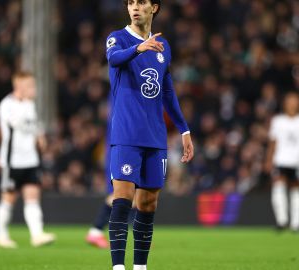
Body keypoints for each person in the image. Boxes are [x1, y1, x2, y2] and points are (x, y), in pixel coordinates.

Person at [105, 0, 194, 269]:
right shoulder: (117, 39)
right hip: (126, 133)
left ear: (153, 8)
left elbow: (167, 92)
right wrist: (139, 47)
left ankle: (140, 267)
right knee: (123, 197)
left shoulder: (162, 47)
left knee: (148, 203)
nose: (135, 7)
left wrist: (184, 129)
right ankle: (118, 267)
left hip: (155, 137)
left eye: (141, 2)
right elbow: (114, 59)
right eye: (131, 2)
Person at [0, 71, 56, 248]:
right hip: (12, 161)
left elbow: (34, 126)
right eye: (30, 85)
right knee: (8, 198)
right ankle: (2, 236)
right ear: (19, 87)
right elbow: (18, 125)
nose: (34, 89)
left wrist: (40, 137)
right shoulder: (7, 105)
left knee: (32, 197)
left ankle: (37, 235)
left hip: (31, 159)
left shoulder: (30, 104)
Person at [265, 92, 299, 232]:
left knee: (296, 188)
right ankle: (281, 221)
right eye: (289, 101)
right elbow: (272, 142)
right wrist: (269, 160)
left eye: (295, 101)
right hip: (280, 160)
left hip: (297, 161)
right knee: (278, 186)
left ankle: (296, 223)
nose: (292, 104)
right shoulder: (278, 120)